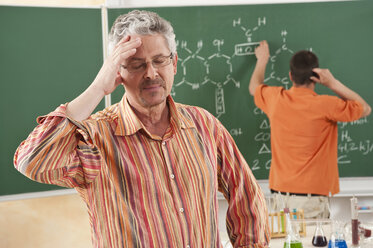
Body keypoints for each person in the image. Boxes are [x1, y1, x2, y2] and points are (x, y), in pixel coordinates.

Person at [14, 10, 270, 248]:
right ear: (117, 71)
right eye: (136, 64)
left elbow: (245, 194)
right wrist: (97, 89)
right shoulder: (94, 138)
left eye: (159, 60)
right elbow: (31, 161)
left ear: (175, 63)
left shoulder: (203, 124)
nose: (151, 73)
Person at [249, 40, 371, 219]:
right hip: (311, 200)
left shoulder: (275, 99)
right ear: (316, 76)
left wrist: (262, 59)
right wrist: (333, 83)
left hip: (279, 196)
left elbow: (254, 88)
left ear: (291, 76)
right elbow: (365, 108)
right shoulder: (326, 105)